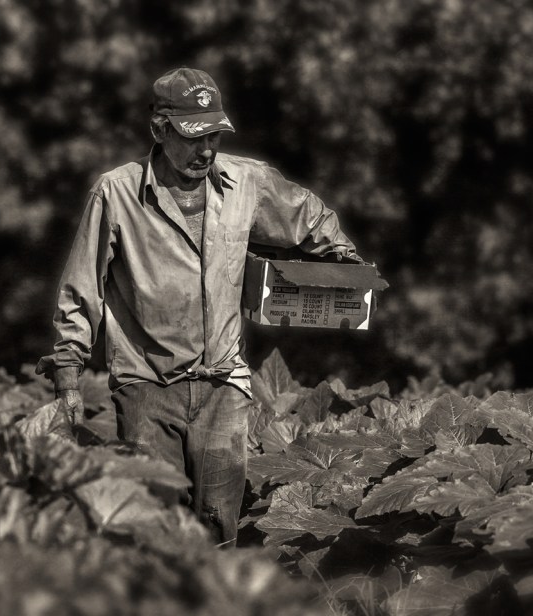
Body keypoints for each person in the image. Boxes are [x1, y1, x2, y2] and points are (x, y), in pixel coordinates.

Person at [36, 67, 361, 545]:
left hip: (223, 386)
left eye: (214, 135)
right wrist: (68, 376)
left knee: (217, 525)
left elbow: (308, 216)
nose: (206, 150)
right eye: (193, 137)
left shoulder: (247, 183)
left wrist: (345, 264)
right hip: (146, 387)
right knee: (156, 527)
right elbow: (82, 288)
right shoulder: (118, 193)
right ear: (159, 129)